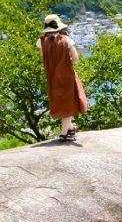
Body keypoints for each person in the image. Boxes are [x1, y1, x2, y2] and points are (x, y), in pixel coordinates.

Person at [37, 14, 88, 142]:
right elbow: (75, 59)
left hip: (52, 76)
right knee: (68, 102)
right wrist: (65, 61)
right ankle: (63, 134)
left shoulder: (41, 41)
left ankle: (70, 128)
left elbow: (43, 59)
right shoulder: (66, 40)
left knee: (60, 102)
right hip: (66, 75)